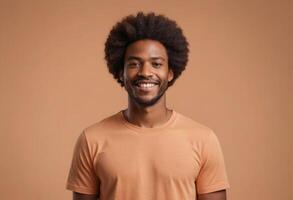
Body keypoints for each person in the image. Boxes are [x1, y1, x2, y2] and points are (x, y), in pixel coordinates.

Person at [66, 12, 230, 200]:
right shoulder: (91, 139)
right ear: (121, 73)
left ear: (170, 73)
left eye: (156, 64)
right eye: (134, 64)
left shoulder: (203, 140)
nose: (145, 72)